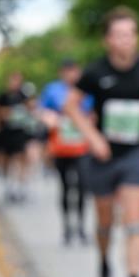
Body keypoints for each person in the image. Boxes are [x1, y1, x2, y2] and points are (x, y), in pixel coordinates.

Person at [64, 6, 139, 277]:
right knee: (105, 221)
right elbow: (71, 106)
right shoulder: (95, 72)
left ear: (136, 38)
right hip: (105, 156)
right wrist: (92, 137)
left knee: (135, 220)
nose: (125, 40)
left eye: (130, 34)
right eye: (119, 35)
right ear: (108, 40)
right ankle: (105, 262)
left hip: (137, 153)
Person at [39, 58, 93, 245]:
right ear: (62, 73)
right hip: (61, 146)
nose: (72, 75)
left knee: (82, 186)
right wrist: (49, 117)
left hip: (82, 146)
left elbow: (94, 111)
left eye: (75, 71)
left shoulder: (87, 88)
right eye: (68, 71)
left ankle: (81, 227)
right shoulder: (53, 89)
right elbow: (41, 110)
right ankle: (66, 229)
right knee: (65, 187)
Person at [0, 72, 32, 203]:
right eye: (13, 80)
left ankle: (21, 187)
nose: (15, 83)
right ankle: (8, 185)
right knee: (7, 160)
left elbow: (31, 110)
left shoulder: (24, 96)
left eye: (18, 80)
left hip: (20, 132)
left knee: (21, 159)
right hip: (7, 133)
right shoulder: (3, 96)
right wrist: (6, 113)